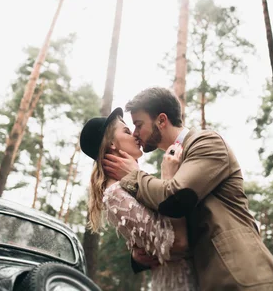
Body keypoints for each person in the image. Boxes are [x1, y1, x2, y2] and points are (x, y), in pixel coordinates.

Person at [102, 87, 273, 291]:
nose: (136, 134)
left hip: (244, 276)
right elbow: (167, 228)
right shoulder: (171, 167)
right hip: (209, 280)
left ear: (161, 120)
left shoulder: (207, 142)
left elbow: (176, 198)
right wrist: (139, 256)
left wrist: (133, 175)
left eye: (138, 125)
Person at [79, 107, 198, 290]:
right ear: (111, 144)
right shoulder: (115, 195)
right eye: (127, 131)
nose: (135, 135)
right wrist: (169, 183)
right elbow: (177, 243)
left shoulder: (133, 184)